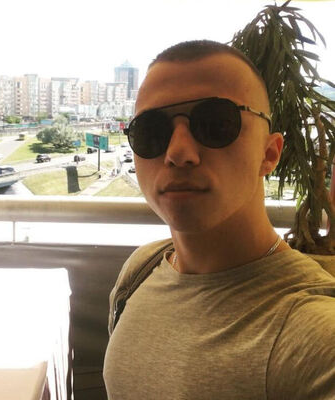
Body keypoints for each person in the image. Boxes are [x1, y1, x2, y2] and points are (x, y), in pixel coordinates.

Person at [103, 40, 335, 399]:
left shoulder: (313, 334)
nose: (178, 152)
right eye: (151, 131)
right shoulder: (141, 269)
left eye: (215, 124)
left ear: (269, 153)